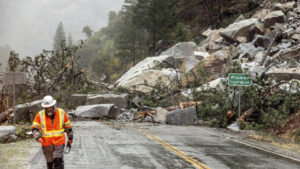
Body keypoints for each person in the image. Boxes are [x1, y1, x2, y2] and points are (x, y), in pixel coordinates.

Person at [31, 95, 73, 169]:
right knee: (49, 163)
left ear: (54, 105)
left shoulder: (61, 113)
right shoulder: (39, 115)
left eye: (50, 107)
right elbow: (35, 128)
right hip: (46, 144)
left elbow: (68, 127)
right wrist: (37, 137)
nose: (48, 109)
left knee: (58, 162)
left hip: (59, 142)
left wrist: (70, 138)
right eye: (46, 107)